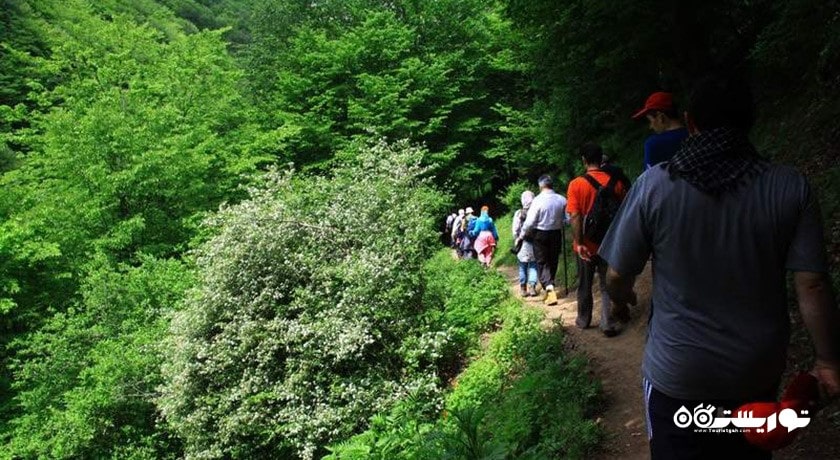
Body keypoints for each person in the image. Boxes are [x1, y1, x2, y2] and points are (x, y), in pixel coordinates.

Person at [601, 74, 840, 459]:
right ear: (751, 121)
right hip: (754, 373)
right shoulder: (789, 186)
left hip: (678, 376)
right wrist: (828, 360)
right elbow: (811, 285)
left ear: (691, 122)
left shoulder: (655, 186)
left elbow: (616, 275)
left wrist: (621, 298)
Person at [566, 143, 627, 337]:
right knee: (606, 282)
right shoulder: (616, 181)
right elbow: (625, 211)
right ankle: (607, 322)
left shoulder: (576, 184)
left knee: (585, 283)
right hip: (610, 241)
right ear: (601, 158)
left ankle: (584, 320)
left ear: (584, 160)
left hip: (587, 244)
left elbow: (575, 216)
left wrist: (580, 242)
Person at [520, 175, 567, 306]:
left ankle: (549, 287)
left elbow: (529, 222)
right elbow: (567, 218)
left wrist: (522, 235)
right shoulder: (562, 199)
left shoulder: (537, 201)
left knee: (542, 262)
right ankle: (550, 285)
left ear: (540, 186)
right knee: (553, 260)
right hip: (556, 233)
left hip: (540, 234)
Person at [632, 91, 689, 170]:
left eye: (650, 121)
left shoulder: (653, 144)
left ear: (660, 117)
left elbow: (650, 180)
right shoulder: (694, 132)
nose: (651, 126)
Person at [512, 191, 538, 297]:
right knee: (533, 265)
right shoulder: (536, 211)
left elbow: (515, 229)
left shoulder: (519, 213)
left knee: (522, 266)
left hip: (522, 242)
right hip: (535, 242)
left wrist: (516, 239)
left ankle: (523, 289)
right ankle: (532, 287)